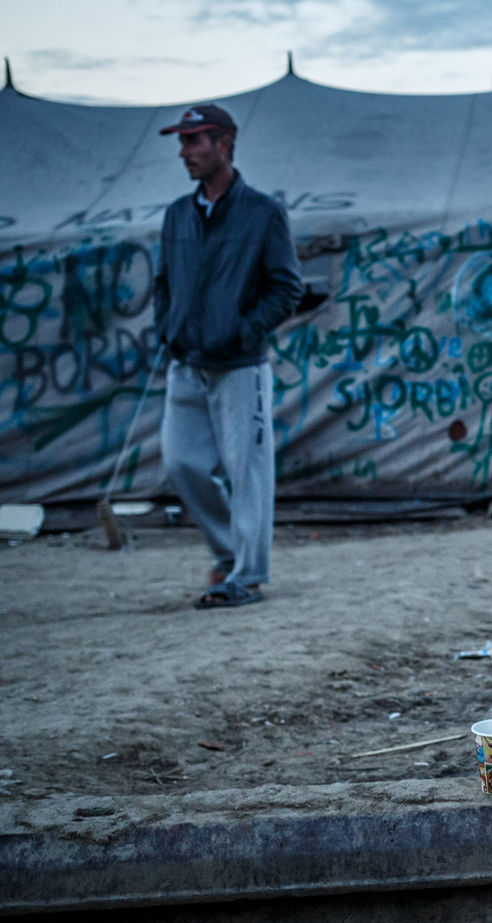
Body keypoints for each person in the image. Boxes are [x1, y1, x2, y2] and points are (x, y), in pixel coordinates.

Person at [153, 104, 303, 609]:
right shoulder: (177, 214)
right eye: (182, 142)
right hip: (186, 362)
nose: (184, 152)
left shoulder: (262, 212)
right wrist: (167, 329)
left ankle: (246, 576)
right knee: (181, 462)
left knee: (248, 471)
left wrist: (243, 332)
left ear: (225, 143)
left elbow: (286, 287)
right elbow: (163, 283)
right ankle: (226, 552)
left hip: (239, 366)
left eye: (194, 141)